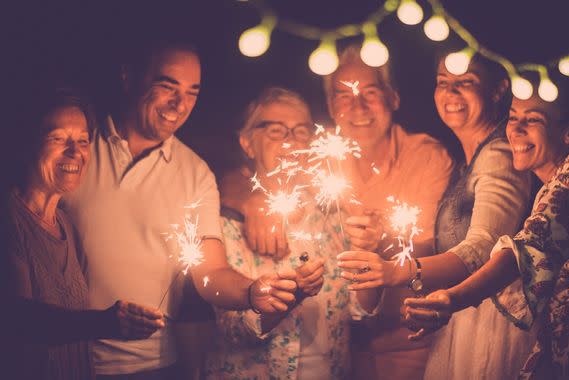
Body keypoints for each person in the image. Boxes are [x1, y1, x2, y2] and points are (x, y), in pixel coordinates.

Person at [61, 40, 298, 379]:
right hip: (65, 358)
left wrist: (250, 291)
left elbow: (210, 272)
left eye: (192, 92)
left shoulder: (195, 173)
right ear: (129, 77)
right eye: (167, 86)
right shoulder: (78, 147)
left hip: (152, 366)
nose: (179, 103)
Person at [404, 80, 569, 378]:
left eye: (533, 119)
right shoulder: (560, 179)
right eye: (513, 117)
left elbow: (523, 254)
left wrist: (451, 299)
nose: (517, 130)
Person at [338, 53, 535, 379]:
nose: (451, 93)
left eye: (466, 82)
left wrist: (397, 271)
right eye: (443, 83)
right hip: (463, 319)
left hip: (491, 324)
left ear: (498, 89)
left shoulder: (499, 156)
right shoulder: (472, 158)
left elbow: (482, 247)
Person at [204, 87, 381, 379]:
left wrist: (369, 253)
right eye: (276, 131)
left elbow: (360, 311)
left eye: (301, 132)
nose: (291, 141)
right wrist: (294, 293)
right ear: (247, 143)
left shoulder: (333, 218)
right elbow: (235, 330)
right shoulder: (228, 226)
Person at [0, 88, 165, 380]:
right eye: (58, 138)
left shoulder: (67, 227)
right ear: (28, 143)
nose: (75, 152)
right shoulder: (10, 220)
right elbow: (18, 319)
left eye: (83, 141)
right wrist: (104, 323)